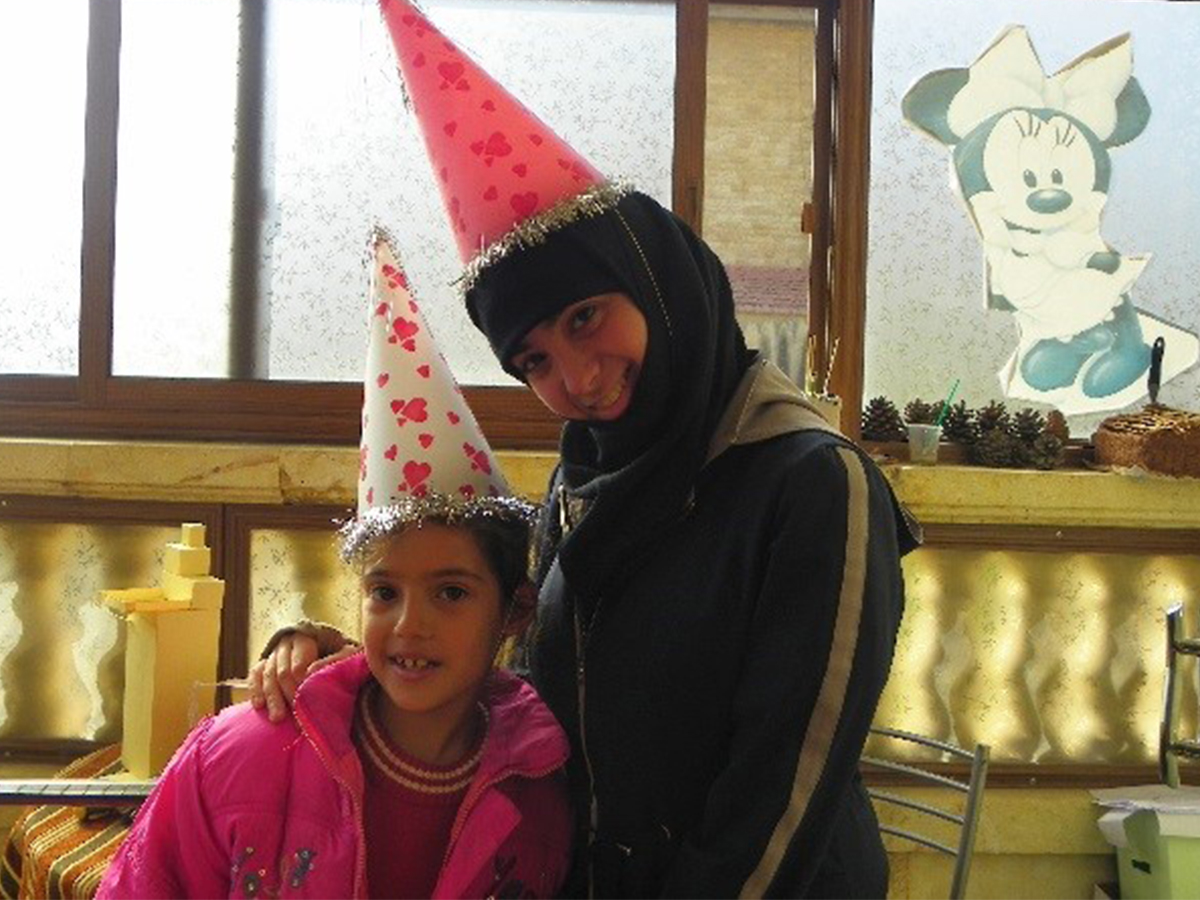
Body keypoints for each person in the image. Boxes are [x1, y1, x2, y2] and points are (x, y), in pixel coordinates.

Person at [251, 4, 920, 896]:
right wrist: (346, 664)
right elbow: (511, 672)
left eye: (585, 317)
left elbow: (784, 793)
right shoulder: (590, 477)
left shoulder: (811, 483)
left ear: (656, 280)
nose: (577, 376)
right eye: (534, 359)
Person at [99, 236, 573, 900]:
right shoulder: (243, 754)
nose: (410, 624)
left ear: (516, 610)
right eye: (384, 591)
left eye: (452, 593)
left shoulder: (541, 796)